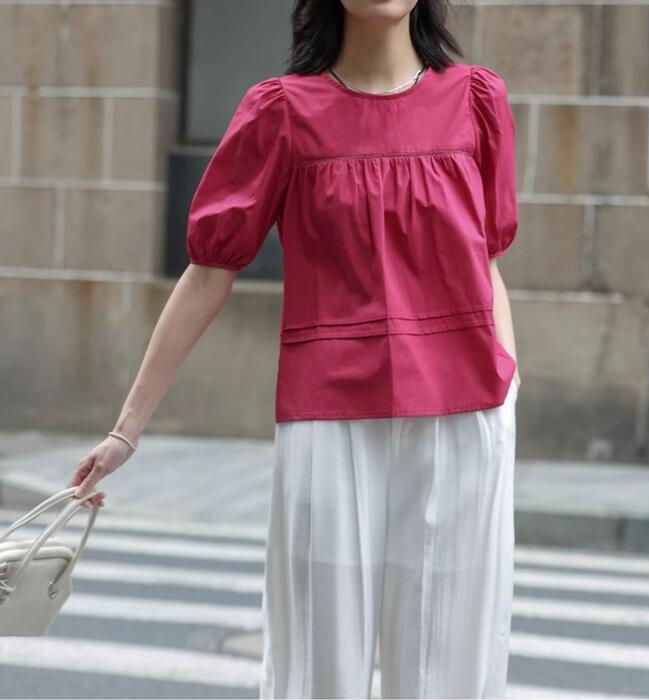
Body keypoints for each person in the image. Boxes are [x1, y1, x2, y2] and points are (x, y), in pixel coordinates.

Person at [69, 0, 521, 697]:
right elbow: (209, 271)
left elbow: (486, 262)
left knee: (448, 671)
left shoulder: (476, 100)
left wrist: (509, 397)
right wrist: (126, 430)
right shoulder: (281, 112)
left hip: (464, 414)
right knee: (317, 665)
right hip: (328, 417)